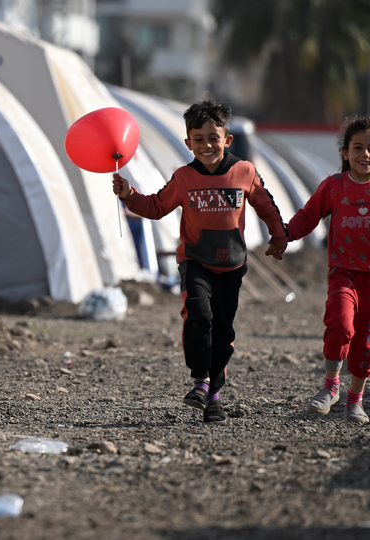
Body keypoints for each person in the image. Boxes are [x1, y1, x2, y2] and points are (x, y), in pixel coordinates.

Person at [112, 99, 288, 423]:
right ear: (188, 143)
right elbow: (156, 207)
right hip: (195, 261)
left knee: (222, 333)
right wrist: (128, 195)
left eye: (213, 138)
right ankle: (200, 381)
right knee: (198, 315)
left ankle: (214, 396)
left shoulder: (244, 172)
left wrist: (278, 237)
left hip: (232, 265)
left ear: (227, 140)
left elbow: (266, 205)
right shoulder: (184, 177)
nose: (206, 145)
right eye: (199, 139)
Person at [281, 115, 370, 423]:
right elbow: (308, 216)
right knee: (340, 325)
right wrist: (285, 234)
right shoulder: (333, 186)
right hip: (342, 272)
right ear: (345, 153)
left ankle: (355, 400)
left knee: (368, 341)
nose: (364, 154)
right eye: (357, 147)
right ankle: (330, 387)